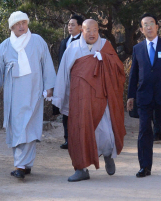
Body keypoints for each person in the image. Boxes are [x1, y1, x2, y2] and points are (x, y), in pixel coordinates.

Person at [0, 11, 56, 179]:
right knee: (18, 127)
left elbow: (47, 65)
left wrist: (49, 86)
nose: (22, 26)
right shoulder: (5, 46)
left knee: (28, 126)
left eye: (24, 22)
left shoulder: (37, 41)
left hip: (34, 92)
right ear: (12, 27)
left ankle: (21, 165)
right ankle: (24, 164)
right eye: (18, 24)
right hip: (13, 95)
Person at [52, 19, 126, 182]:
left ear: (98, 30)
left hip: (102, 98)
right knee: (79, 132)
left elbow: (119, 69)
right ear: (81, 31)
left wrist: (105, 59)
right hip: (80, 99)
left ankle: (107, 155)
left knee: (105, 132)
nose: (92, 33)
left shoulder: (106, 46)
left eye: (95, 30)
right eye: (88, 30)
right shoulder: (72, 48)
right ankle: (81, 168)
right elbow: (63, 73)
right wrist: (59, 96)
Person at [127, 13, 161, 177]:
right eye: (145, 24)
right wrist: (130, 96)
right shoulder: (137, 49)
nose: (149, 27)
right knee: (144, 130)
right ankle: (145, 166)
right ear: (142, 30)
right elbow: (134, 74)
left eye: (151, 23)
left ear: (157, 26)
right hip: (144, 96)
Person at [57, 14, 83, 150]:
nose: (70, 27)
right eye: (69, 24)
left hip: (78, 82)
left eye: (73, 24)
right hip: (64, 81)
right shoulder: (64, 42)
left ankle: (77, 139)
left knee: (78, 112)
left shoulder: (84, 42)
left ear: (80, 26)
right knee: (65, 111)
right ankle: (67, 139)